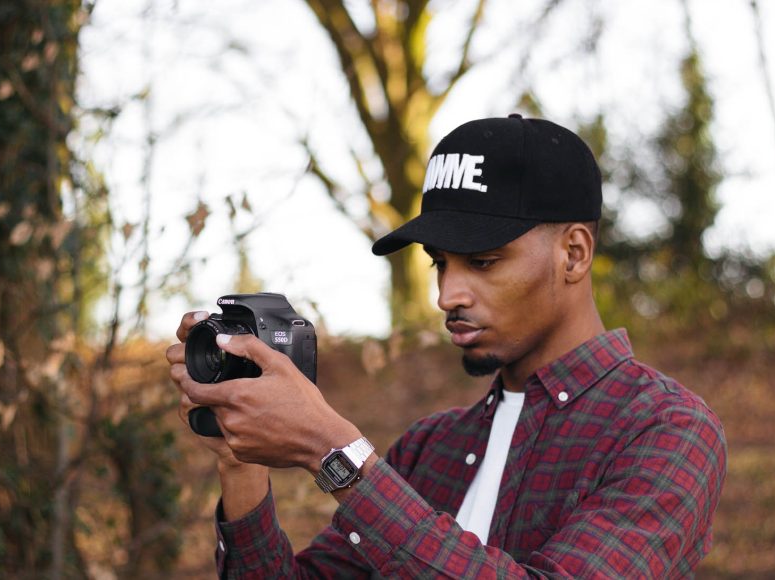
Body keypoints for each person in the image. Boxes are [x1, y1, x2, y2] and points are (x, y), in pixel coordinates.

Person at [166, 115, 727, 578]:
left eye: (482, 261)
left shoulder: (666, 429)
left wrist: (334, 452)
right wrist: (240, 463)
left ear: (574, 254)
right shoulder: (430, 447)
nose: (446, 295)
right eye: (440, 263)